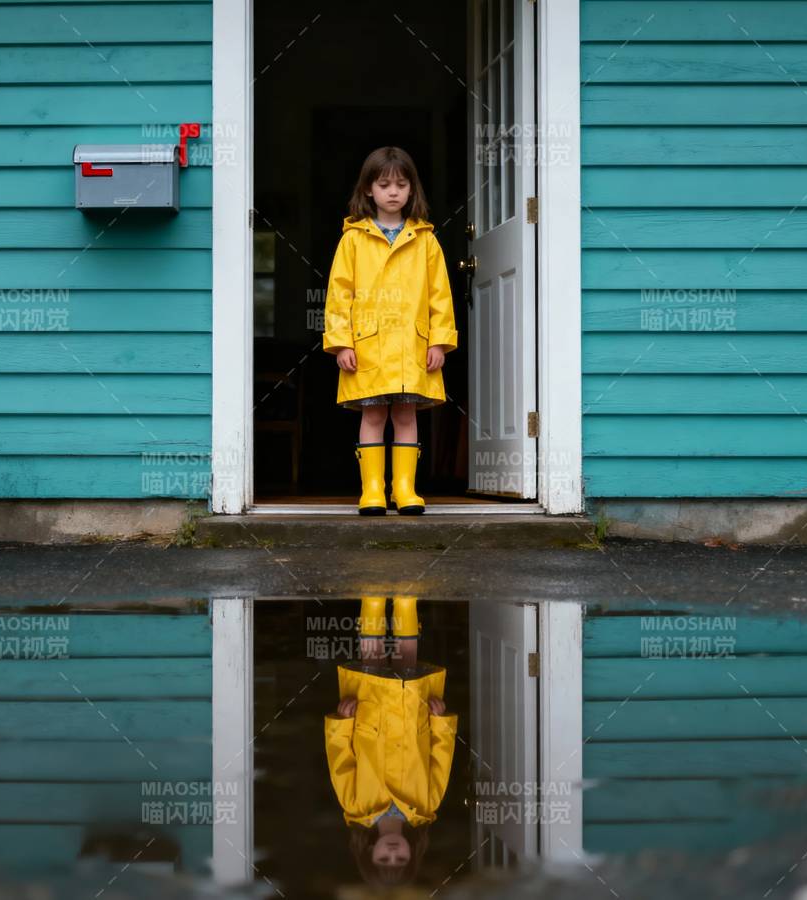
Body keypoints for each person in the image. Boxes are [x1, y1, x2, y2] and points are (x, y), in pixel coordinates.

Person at [321, 147, 459, 515]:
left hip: (413, 347)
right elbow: (339, 294)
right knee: (373, 415)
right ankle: (372, 491)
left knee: (406, 415)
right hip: (367, 348)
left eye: (401, 184)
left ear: (412, 190)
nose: (393, 192)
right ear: (368, 189)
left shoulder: (426, 240)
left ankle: (405, 489)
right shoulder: (353, 239)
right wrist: (340, 343)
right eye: (384, 184)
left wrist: (440, 342)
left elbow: (439, 295)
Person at [324, 595, 457, 886]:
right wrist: (440, 720)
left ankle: (371, 602)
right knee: (406, 660)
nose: (393, 854)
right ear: (413, 853)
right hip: (414, 719)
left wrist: (343, 722)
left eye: (384, 859)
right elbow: (442, 756)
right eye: (401, 860)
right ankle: (406, 605)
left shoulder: (356, 807)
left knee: (372, 658)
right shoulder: (426, 806)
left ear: (370, 851)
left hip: (368, 720)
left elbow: (340, 759)